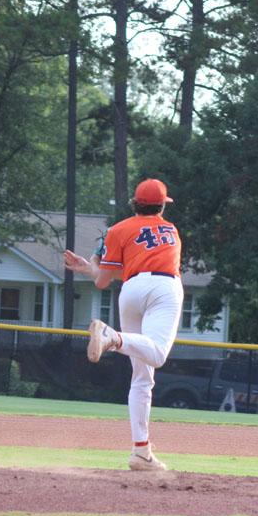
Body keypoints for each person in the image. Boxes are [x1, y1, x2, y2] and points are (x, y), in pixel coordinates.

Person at [63, 178, 184, 471]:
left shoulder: (119, 230)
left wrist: (89, 265)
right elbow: (152, 268)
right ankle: (112, 338)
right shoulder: (171, 230)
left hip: (131, 291)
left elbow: (104, 281)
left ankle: (141, 451)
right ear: (162, 206)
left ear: (135, 203)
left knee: (142, 376)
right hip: (164, 288)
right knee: (156, 355)